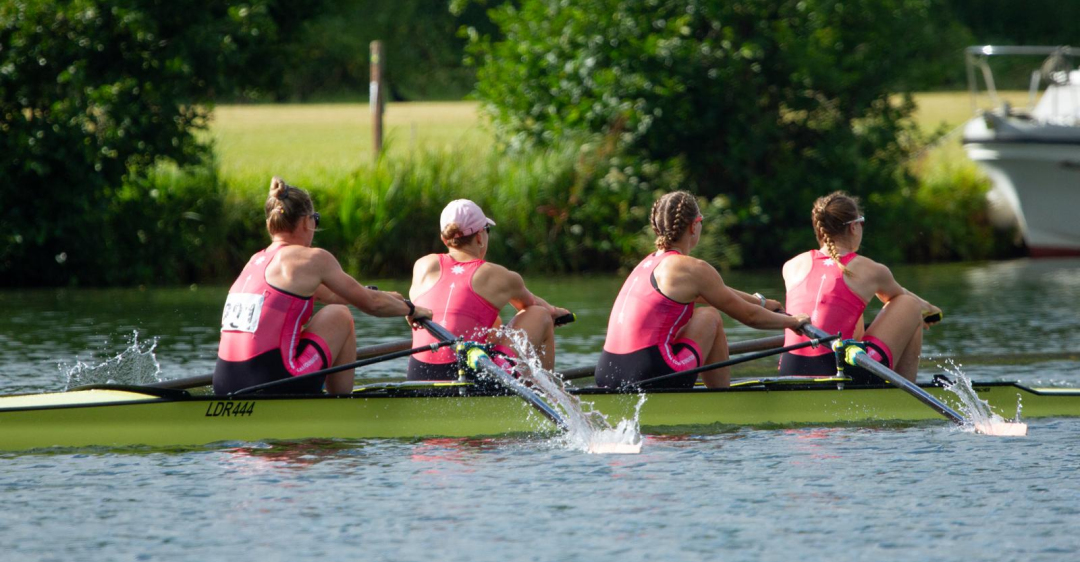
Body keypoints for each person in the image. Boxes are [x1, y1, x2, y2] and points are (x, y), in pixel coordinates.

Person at [215, 177, 432, 395]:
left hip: (224, 383)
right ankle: (340, 408)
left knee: (330, 311)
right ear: (306, 222)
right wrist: (413, 310)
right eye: (315, 219)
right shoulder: (311, 259)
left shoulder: (255, 261)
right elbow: (371, 305)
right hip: (272, 382)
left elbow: (336, 294)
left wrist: (387, 297)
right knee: (341, 316)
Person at [596, 191, 809, 390]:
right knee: (710, 316)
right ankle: (721, 404)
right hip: (649, 373)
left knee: (688, 320)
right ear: (693, 226)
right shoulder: (692, 267)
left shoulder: (647, 264)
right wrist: (793, 322)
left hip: (606, 372)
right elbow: (749, 317)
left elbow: (717, 292)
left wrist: (761, 302)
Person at [779, 191, 941, 383]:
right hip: (838, 370)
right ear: (854, 227)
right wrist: (927, 309)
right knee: (910, 306)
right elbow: (902, 300)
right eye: (861, 222)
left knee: (854, 309)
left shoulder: (792, 265)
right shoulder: (869, 269)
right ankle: (905, 397)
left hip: (789, 370)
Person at [407, 199, 571, 381]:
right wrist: (555, 312)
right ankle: (546, 394)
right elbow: (530, 305)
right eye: (487, 230)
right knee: (541, 315)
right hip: (467, 374)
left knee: (494, 325)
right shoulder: (498, 275)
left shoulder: (422, 265)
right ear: (479, 237)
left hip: (419, 374)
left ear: (444, 239)